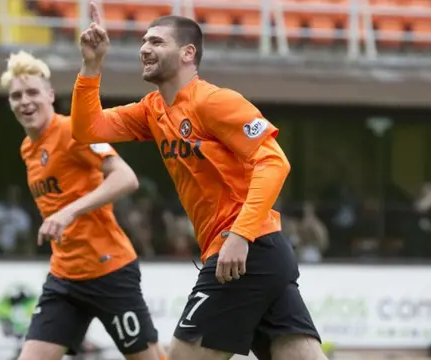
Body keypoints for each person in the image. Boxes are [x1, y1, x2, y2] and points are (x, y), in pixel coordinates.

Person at [69, 4, 327, 360]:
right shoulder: (152, 110)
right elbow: (87, 129)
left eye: (157, 42)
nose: (145, 48)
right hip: (260, 253)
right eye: (144, 41)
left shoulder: (214, 101)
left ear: (188, 53)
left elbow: (274, 162)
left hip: (243, 249)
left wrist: (240, 235)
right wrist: (92, 65)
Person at [0, 50, 166, 360]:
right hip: (64, 278)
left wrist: (68, 211)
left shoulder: (73, 130)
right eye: (16, 95)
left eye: (33, 92)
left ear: (50, 96)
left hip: (110, 270)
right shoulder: (28, 148)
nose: (25, 101)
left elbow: (126, 178)